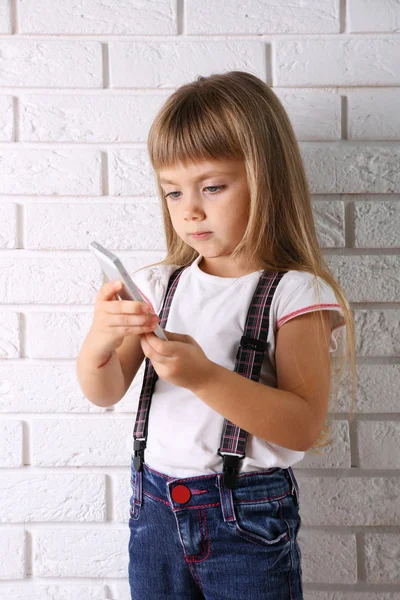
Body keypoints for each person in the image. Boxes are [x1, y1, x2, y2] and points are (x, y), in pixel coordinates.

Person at [76, 71, 356, 599]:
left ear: (265, 178)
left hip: (246, 519)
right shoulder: (161, 285)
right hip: (153, 509)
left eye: (212, 187)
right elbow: (106, 390)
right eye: (173, 192)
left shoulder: (296, 295)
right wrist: (98, 340)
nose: (190, 210)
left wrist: (204, 377)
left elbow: (301, 426)